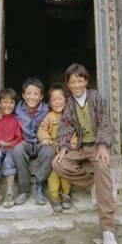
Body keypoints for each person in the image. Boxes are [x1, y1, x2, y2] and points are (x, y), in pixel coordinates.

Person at [52, 63, 118, 244]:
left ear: (86, 81)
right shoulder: (69, 103)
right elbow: (65, 127)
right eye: (72, 82)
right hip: (80, 147)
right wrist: (63, 148)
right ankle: (92, 185)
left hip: (97, 146)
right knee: (58, 164)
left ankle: (107, 230)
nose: (76, 85)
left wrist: (103, 145)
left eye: (80, 81)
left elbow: (105, 122)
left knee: (103, 167)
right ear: (68, 84)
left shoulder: (95, 97)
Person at [11, 77, 54, 206]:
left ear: (41, 96)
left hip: (42, 142)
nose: (32, 97)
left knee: (50, 151)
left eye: (36, 94)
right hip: (26, 142)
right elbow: (5, 112)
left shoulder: (47, 109)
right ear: (23, 95)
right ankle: (23, 190)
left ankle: (40, 187)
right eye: (28, 93)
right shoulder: (17, 109)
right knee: (17, 150)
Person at [37, 84, 76, 212]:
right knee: (53, 170)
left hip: (67, 150)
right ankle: (54, 196)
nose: (57, 102)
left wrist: (72, 145)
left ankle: (66, 194)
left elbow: (76, 133)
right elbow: (42, 130)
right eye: (54, 100)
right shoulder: (49, 116)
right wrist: (46, 139)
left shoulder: (71, 116)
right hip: (53, 148)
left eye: (60, 99)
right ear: (49, 102)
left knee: (65, 168)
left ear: (66, 100)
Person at [0, 88, 23, 210]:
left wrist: (10, 144)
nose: (8, 105)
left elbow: (20, 137)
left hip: (10, 148)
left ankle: (9, 192)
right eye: (5, 102)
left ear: (15, 104)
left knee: (8, 162)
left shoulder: (15, 120)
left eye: (11, 102)